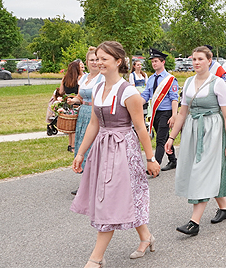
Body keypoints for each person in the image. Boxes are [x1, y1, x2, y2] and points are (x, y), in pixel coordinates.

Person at [70, 41, 161, 267]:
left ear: (118, 62)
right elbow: (93, 124)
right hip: (102, 148)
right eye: (97, 58)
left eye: (104, 59)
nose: (99, 62)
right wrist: (80, 153)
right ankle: (146, 237)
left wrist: (150, 159)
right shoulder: (98, 88)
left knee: (111, 200)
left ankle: (96, 258)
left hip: (124, 149)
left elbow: (141, 128)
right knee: (123, 197)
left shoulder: (128, 91)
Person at [165, 46, 226, 236]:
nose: (196, 62)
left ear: (209, 61)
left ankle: (194, 222)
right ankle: (224, 208)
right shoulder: (188, 82)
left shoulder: (218, 83)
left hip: (213, 130)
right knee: (201, 170)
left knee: (202, 172)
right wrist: (172, 138)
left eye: (200, 59)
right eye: (194, 59)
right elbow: (182, 113)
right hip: (193, 129)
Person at [71, 47, 105, 195]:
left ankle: (93, 184)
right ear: (86, 62)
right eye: (91, 60)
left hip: (95, 113)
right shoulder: (83, 78)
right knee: (82, 146)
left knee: (93, 149)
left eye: (97, 60)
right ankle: (86, 182)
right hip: (83, 113)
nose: (94, 63)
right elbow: (80, 96)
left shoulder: (102, 78)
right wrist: (73, 100)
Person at [141, 48, 180, 171]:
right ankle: (173, 160)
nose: (154, 64)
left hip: (166, 112)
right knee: (164, 137)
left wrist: (174, 115)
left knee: (160, 140)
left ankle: (155, 165)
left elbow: (174, 98)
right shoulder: (151, 78)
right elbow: (145, 96)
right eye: (152, 61)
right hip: (155, 112)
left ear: (163, 62)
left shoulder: (170, 79)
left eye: (156, 61)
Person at [61, 60, 84, 152]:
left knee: (70, 126)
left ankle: (70, 145)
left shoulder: (65, 78)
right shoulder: (81, 78)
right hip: (77, 103)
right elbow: (80, 94)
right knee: (75, 126)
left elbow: (61, 91)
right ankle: (74, 146)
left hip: (68, 103)